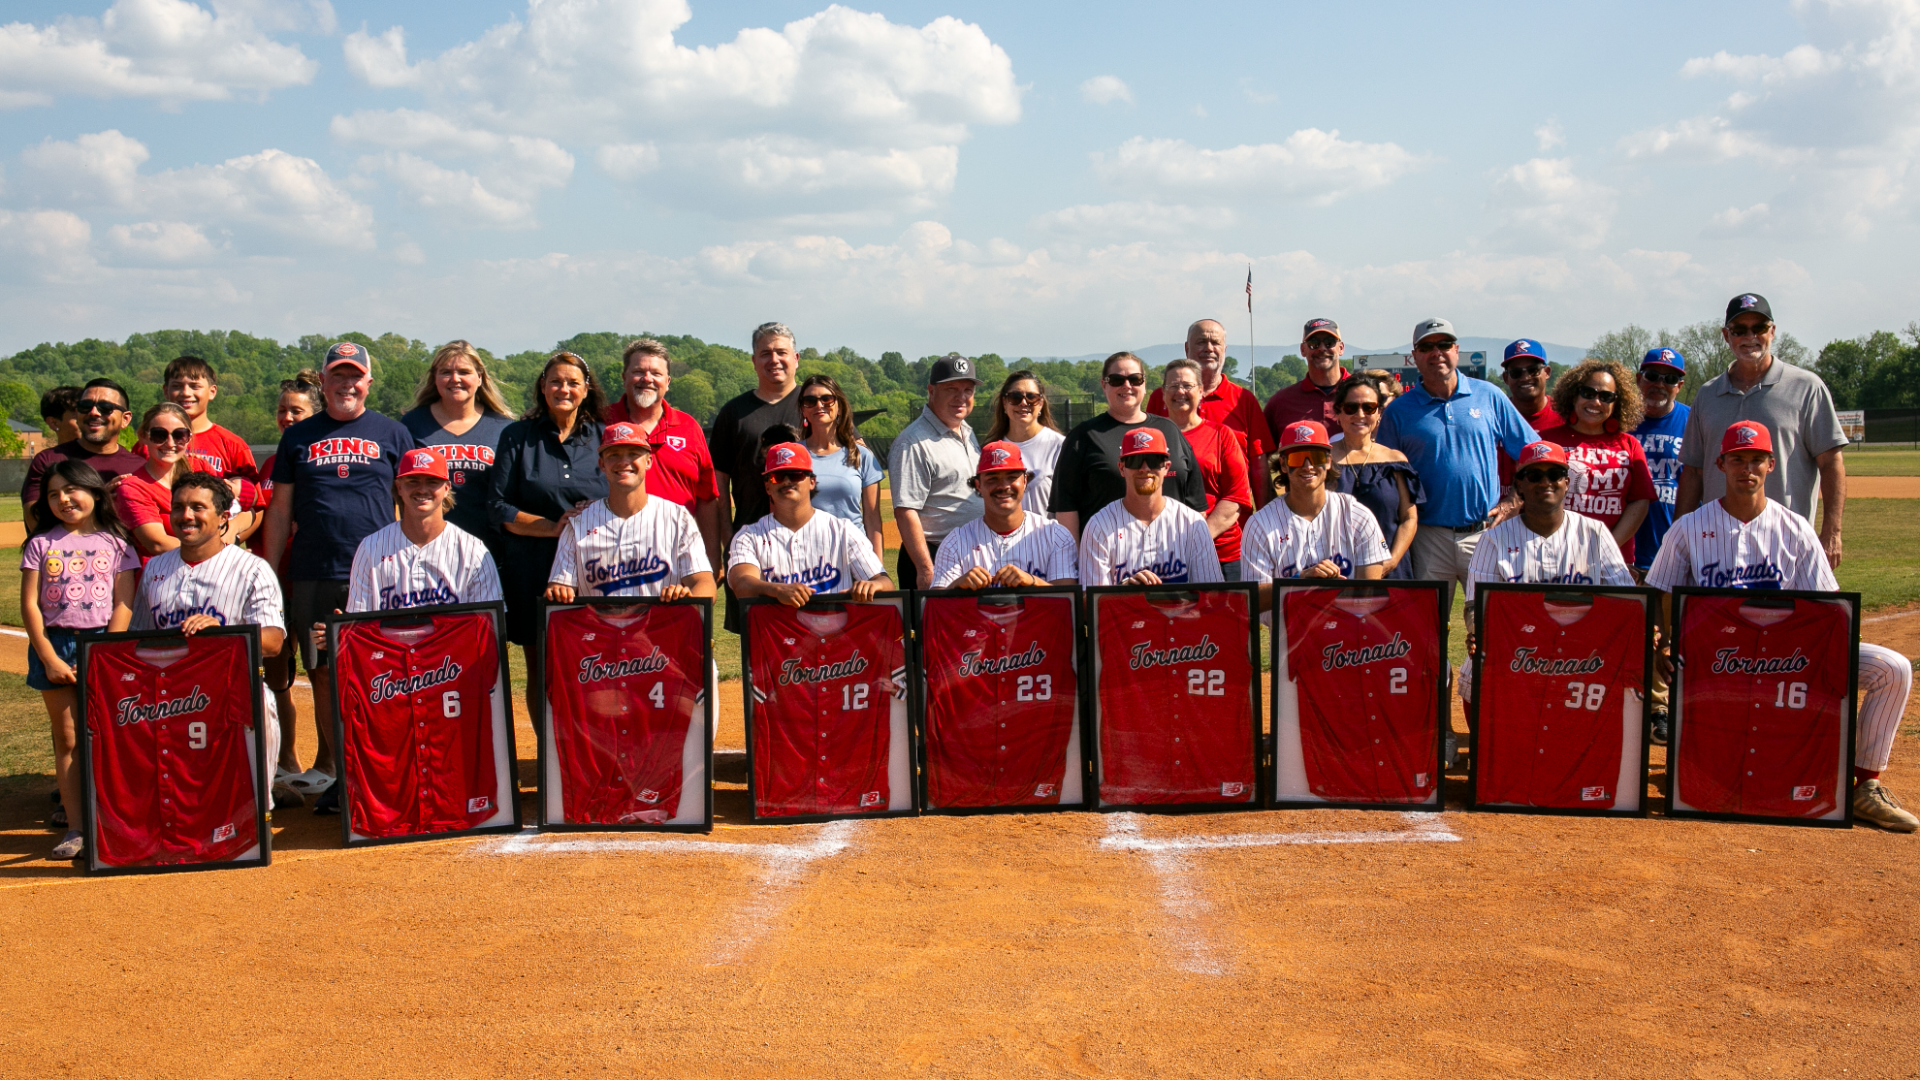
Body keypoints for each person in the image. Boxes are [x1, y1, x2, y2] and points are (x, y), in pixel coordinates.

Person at [1648, 421, 1917, 832]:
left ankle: (1865, 785)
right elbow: (1661, 594)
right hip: (1716, 660)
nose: (1747, 468)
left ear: (1771, 465)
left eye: (1756, 459)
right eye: (1737, 459)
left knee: (1892, 668)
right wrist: (1664, 644)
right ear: (1720, 463)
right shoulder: (1688, 528)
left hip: (1789, 659)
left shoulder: (1795, 528)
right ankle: (1682, 764)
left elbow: (1829, 606)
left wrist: (1848, 643)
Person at [262, 341, 416, 796]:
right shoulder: (298, 436)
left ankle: (385, 769)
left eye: (355, 376)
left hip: (376, 572)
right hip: (314, 570)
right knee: (324, 672)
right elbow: (280, 508)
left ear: (368, 382)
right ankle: (346, 777)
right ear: (324, 382)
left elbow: (406, 503)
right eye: (338, 375)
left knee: (382, 671)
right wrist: (270, 571)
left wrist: (406, 567)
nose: (347, 383)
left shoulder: (393, 433)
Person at [132, 472, 294, 819]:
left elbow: (273, 642)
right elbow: (137, 640)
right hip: (168, 698)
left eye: (197, 507)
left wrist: (223, 631)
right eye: (178, 507)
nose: (186, 515)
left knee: (260, 702)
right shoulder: (155, 569)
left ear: (223, 518)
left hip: (231, 692)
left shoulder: (252, 569)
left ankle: (257, 806)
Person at [19, 461, 140, 860]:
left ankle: (115, 821)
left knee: (109, 737)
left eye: (71, 490)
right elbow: (32, 608)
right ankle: (76, 827)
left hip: (102, 648)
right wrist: (49, 657)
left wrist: (107, 652)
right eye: (53, 494)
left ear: (94, 492)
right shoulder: (41, 545)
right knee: (69, 739)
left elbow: (123, 603)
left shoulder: (118, 543)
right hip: (57, 647)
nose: (63, 499)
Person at [1458, 441, 1637, 706]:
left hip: (1581, 651)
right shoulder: (1494, 539)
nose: (1545, 483)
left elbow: (1626, 601)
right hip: (1516, 649)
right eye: (1534, 475)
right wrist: (1479, 634)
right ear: (1519, 485)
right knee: (1475, 671)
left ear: (1566, 482)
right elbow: (1476, 606)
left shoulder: (1594, 533)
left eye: (1553, 475)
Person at [1676, 293, 1846, 568]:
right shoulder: (1708, 395)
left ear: (1773, 331)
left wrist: (1832, 532)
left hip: (1787, 543)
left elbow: (1831, 462)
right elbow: (1694, 472)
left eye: (1759, 328)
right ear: (1726, 335)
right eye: (1740, 330)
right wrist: (1679, 535)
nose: (1750, 336)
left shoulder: (1806, 387)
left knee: (1787, 613)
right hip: (1718, 543)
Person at [1377, 318, 1535, 602]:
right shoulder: (1399, 411)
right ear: (1415, 356)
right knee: (1429, 628)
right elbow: (1385, 475)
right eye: (1426, 347)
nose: (1436, 352)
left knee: (1489, 624)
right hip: (1427, 535)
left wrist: (1515, 500)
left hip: (1484, 532)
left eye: (1444, 344)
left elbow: (1533, 452)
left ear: (1456, 350)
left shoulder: (1489, 395)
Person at [486, 351, 608, 714]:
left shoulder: (603, 436)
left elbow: (625, 494)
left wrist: (594, 517)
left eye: (573, 382)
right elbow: (498, 506)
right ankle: (547, 762)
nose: (563, 389)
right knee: (541, 666)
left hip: (595, 569)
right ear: (542, 387)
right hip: (532, 566)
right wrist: (554, 528)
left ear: (586, 389)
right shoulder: (518, 436)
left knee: (594, 661)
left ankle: (588, 752)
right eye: (555, 381)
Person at [545, 422, 715, 603]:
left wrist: (686, 598)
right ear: (602, 464)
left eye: (633, 454)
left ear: (648, 461)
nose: (623, 462)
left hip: (658, 629)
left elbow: (705, 585)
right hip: (601, 628)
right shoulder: (578, 523)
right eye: (613, 455)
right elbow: (559, 587)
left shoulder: (678, 518)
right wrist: (559, 592)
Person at [1050, 352, 1208, 540]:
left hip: (1171, 557)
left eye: (1135, 379)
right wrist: (1076, 562)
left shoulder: (1169, 430)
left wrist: (1192, 551)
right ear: (1104, 385)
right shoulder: (1083, 436)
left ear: (1144, 383)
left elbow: (1196, 505)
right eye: (1117, 380)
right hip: (1108, 557)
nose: (1127, 386)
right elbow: (1066, 509)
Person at [252, 370, 322, 793]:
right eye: (282, 410)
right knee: (276, 673)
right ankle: (286, 759)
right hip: (272, 578)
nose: (287, 418)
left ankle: (327, 761)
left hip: (309, 576)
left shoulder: (320, 453)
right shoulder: (272, 461)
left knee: (319, 672)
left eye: (297, 410)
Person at [1242, 420, 1389, 615]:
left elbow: (1368, 594)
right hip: (1288, 636)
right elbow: (1251, 601)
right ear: (1284, 465)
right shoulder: (1260, 524)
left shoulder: (1357, 515)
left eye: (1315, 456)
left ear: (1328, 461)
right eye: (1298, 458)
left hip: (1350, 633)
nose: (1308, 466)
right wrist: (1302, 582)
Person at [605, 338, 723, 572]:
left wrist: (712, 560)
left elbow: (706, 499)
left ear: (667, 382)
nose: (647, 379)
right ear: (624, 377)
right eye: (638, 371)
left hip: (678, 555)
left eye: (656, 373)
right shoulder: (601, 423)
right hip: (613, 557)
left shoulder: (689, 427)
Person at [727, 441, 892, 606]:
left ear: (812, 482)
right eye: (778, 476)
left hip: (837, 630)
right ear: (768, 486)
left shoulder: (843, 531)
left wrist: (874, 585)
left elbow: (885, 583)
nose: (786, 481)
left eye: (795, 474)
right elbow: (741, 584)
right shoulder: (749, 537)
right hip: (779, 631)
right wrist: (776, 590)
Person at [346, 448, 503, 613]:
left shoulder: (473, 551)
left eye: (432, 481)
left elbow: (487, 624)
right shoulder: (371, 547)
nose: (422, 489)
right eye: (412, 481)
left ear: (446, 488)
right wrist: (337, 632)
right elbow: (359, 623)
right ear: (399, 487)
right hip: (390, 639)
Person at [1540, 358, 1656, 563]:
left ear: (1617, 402)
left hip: (1613, 559)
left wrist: (1605, 547)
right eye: (1588, 393)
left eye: (1606, 396)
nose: (1596, 402)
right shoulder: (1547, 441)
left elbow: (1640, 502)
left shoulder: (1630, 445)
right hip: (1556, 556)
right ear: (1574, 394)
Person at [400, 340, 515, 546]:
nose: (455, 379)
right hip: (426, 544)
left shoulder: (503, 427)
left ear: (479, 378)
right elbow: (398, 489)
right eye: (446, 372)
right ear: (434, 378)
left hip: (489, 546)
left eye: (464, 372)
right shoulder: (412, 424)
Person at [1078, 427, 1223, 587]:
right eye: (1135, 460)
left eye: (1154, 461)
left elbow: (1212, 596)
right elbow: (1090, 604)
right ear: (1121, 468)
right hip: (1124, 612)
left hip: (1181, 612)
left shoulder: (1191, 523)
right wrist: (1121, 592)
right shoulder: (1099, 526)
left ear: (1166, 467)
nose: (1145, 468)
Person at [1148, 318, 1273, 503]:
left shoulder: (1243, 400)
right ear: (1186, 348)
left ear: (1225, 349)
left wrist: (1265, 516)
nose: (1209, 348)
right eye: (1201, 342)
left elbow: (1259, 466)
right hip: (1172, 518)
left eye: (1215, 342)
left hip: (1232, 522)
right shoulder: (1163, 397)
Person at [888, 354, 984, 588]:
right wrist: (925, 569)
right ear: (931, 391)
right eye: (951, 388)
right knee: (930, 624)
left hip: (970, 554)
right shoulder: (912, 442)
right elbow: (906, 511)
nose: (961, 397)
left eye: (967, 390)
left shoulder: (968, 432)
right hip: (933, 554)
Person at [930, 442, 1079, 588]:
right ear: (978, 485)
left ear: (1025, 480)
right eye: (992, 479)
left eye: (1012, 477)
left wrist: (1033, 582)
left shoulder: (1056, 536)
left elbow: (1068, 602)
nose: (1003, 486)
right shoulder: (955, 542)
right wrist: (956, 588)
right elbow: (936, 606)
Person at [1159, 360, 1252, 579]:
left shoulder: (1221, 435)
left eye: (1188, 386)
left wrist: (1195, 542)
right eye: (1173, 386)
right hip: (1162, 555)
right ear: (1163, 393)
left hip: (1220, 553)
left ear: (1201, 391)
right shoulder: (1152, 436)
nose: (1180, 391)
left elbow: (1236, 497)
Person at [21, 379, 146, 535]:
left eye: (105, 408)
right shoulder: (49, 461)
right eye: (85, 406)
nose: (93, 412)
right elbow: (37, 524)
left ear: (125, 419)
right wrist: (99, 501)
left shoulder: (141, 468)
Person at [1329, 373, 1421, 579]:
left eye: (1369, 408)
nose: (1360, 414)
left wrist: (1392, 561)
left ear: (1379, 412)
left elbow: (1409, 517)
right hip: (1336, 573)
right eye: (1351, 407)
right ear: (1338, 412)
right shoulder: (1322, 461)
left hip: (1391, 571)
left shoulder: (1395, 460)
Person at [795, 376, 883, 557]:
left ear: (839, 406)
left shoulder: (862, 455)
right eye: (810, 401)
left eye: (827, 398)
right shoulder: (794, 455)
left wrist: (877, 570)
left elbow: (872, 519)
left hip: (855, 556)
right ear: (803, 410)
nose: (819, 405)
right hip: (808, 558)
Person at [1631, 347, 1690, 577]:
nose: (1660, 384)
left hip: (1675, 551)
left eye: (1670, 379)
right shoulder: (1619, 419)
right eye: (1652, 376)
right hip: (1624, 552)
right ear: (1639, 379)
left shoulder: (1693, 421)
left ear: (1680, 386)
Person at [982, 370, 1065, 522]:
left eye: (1032, 397)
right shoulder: (991, 450)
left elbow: (1068, 508)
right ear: (1004, 403)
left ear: (1041, 403)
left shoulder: (1060, 446)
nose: (1023, 403)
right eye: (1015, 397)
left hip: (1046, 542)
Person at [1264, 317, 1351, 435]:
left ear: (1341, 348)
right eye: (1313, 343)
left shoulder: (1363, 395)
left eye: (1329, 342)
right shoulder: (1281, 402)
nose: (1322, 348)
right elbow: (1263, 450)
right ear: (1303, 349)